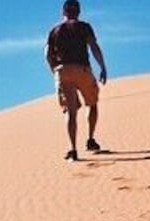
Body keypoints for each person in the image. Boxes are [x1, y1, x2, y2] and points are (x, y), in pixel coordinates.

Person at [45, 0, 108, 162]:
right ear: (78, 11)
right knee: (92, 103)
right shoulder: (84, 27)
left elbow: (47, 54)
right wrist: (102, 66)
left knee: (70, 111)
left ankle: (72, 149)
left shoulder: (54, 30)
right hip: (82, 69)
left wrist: (55, 70)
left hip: (63, 70)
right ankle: (90, 139)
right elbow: (93, 46)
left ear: (63, 12)